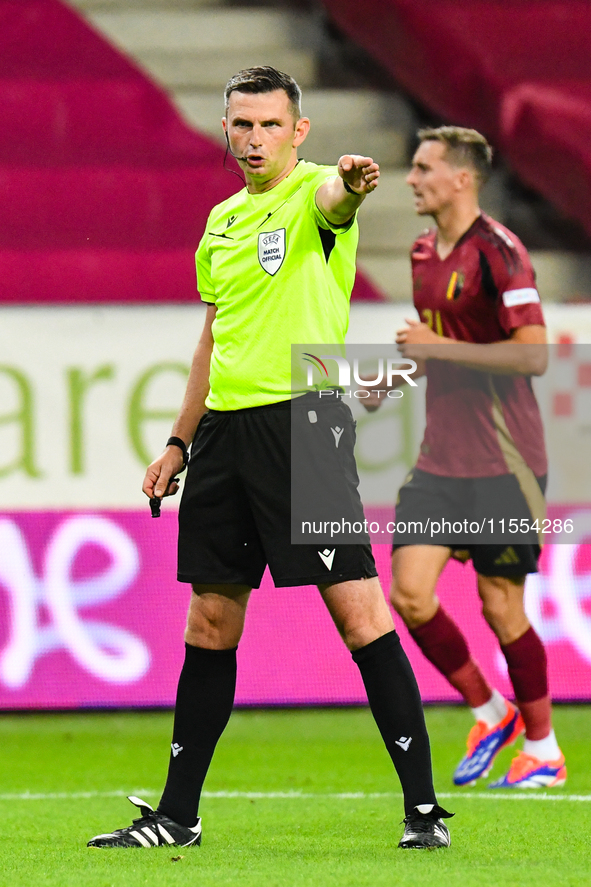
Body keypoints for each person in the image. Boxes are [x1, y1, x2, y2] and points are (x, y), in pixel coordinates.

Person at [87, 67, 452, 851]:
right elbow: (212, 339)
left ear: (299, 131)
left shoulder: (317, 193)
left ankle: (422, 811)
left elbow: (337, 202)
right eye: (240, 125)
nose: (253, 139)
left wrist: (353, 186)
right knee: (210, 619)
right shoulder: (219, 221)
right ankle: (176, 816)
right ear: (227, 129)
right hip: (222, 435)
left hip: (304, 423)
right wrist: (179, 442)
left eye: (267, 125)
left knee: (358, 612)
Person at [367, 125, 565, 790]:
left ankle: (542, 747)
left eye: (423, 168)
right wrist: (390, 380)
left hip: (505, 461)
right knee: (409, 594)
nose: (410, 179)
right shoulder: (423, 251)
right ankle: (488, 709)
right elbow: (439, 343)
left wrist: (431, 349)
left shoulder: (501, 253)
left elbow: (532, 353)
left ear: (461, 178)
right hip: (440, 460)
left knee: (500, 606)